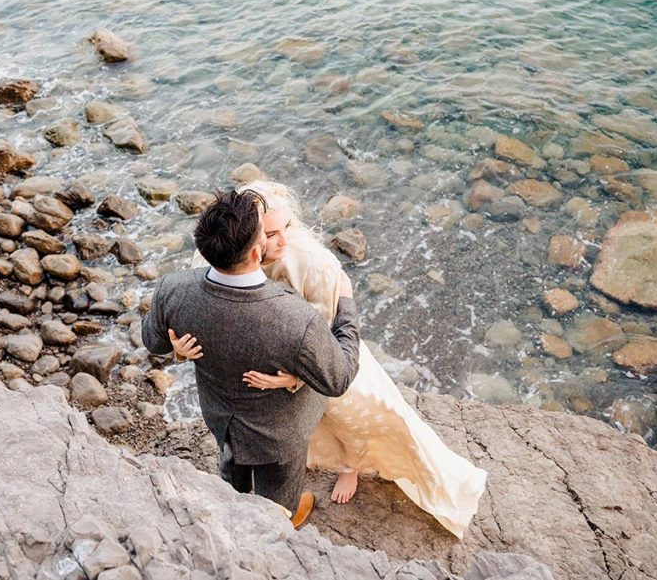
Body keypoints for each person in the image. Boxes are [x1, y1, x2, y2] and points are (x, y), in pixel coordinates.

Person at [172, 181, 487, 539]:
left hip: (319, 360)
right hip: (264, 384)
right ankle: (278, 510)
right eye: (270, 233)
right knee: (288, 440)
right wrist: (180, 348)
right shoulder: (222, 253)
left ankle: (350, 466)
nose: (282, 242)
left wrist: (296, 378)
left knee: (350, 419)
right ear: (248, 239)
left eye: (287, 228)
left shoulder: (315, 265)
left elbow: (327, 342)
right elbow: (204, 309)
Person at [141, 189, 361, 529]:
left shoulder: (172, 289)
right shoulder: (294, 318)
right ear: (257, 253)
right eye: (268, 232)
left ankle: (234, 505)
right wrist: (346, 305)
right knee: (280, 495)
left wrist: (176, 350)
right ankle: (279, 523)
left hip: (221, 415)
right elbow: (339, 378)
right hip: (280, 432)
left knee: (231, 470)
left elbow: (153, 342)